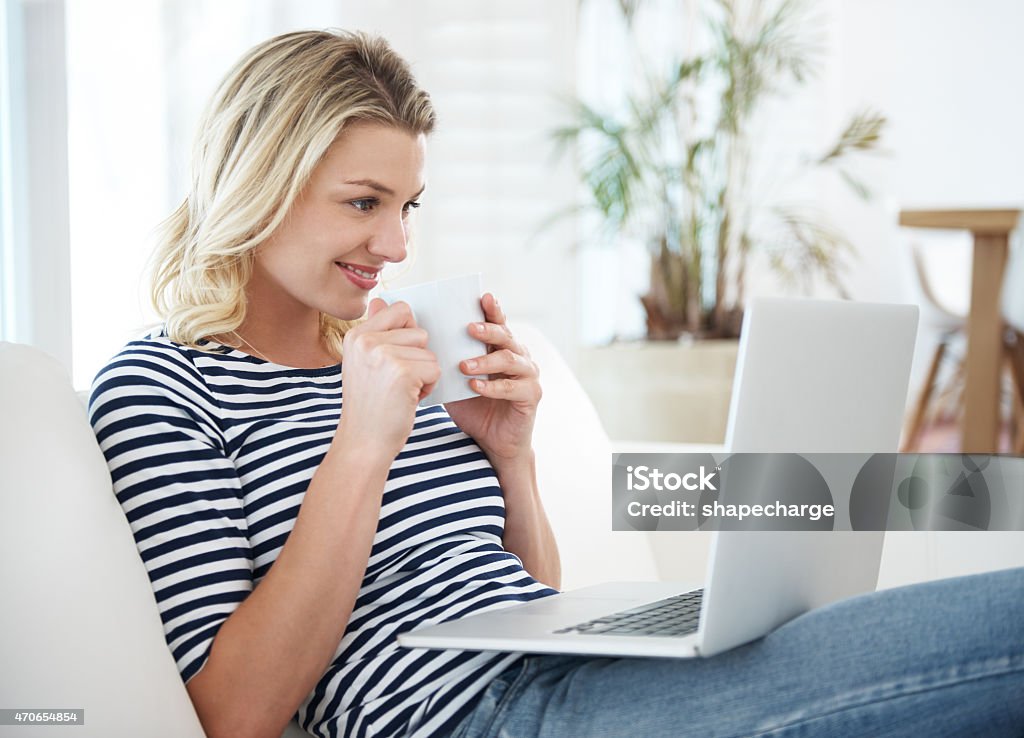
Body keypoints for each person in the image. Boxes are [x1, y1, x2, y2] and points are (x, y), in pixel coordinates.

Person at [88, 29, 1024, 738]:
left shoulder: (387, 353)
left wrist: (510, 459)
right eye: (363, 203)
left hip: (569, 682)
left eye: (407, 206)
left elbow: (523, 599)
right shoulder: (162, 386)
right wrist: (362, 443)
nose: (397, 244)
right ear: (258, 181)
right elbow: (232, 712)